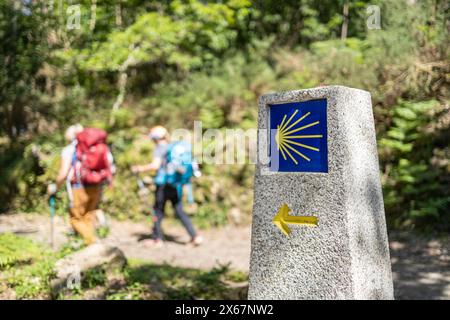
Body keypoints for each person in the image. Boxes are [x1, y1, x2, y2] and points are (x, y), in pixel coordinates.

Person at [132, 126, 203, 247]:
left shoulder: (160, 148)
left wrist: (139, 168)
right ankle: (195, 236)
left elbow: (155, 165)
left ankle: (157, 239)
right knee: (179, 210)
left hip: (163, 184)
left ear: (155, 138)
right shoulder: (172, 147)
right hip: (175, 184)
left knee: (158, 211)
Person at [48, 124, 114, 245]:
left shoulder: (69, 149)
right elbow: (110, 165)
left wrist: (55, 188)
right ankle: (88, 244)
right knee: (88, 216)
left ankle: (92, 243)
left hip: (79, 187)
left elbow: (63, 173)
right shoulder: (100, 146)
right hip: (97, 185)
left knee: (76, 219)